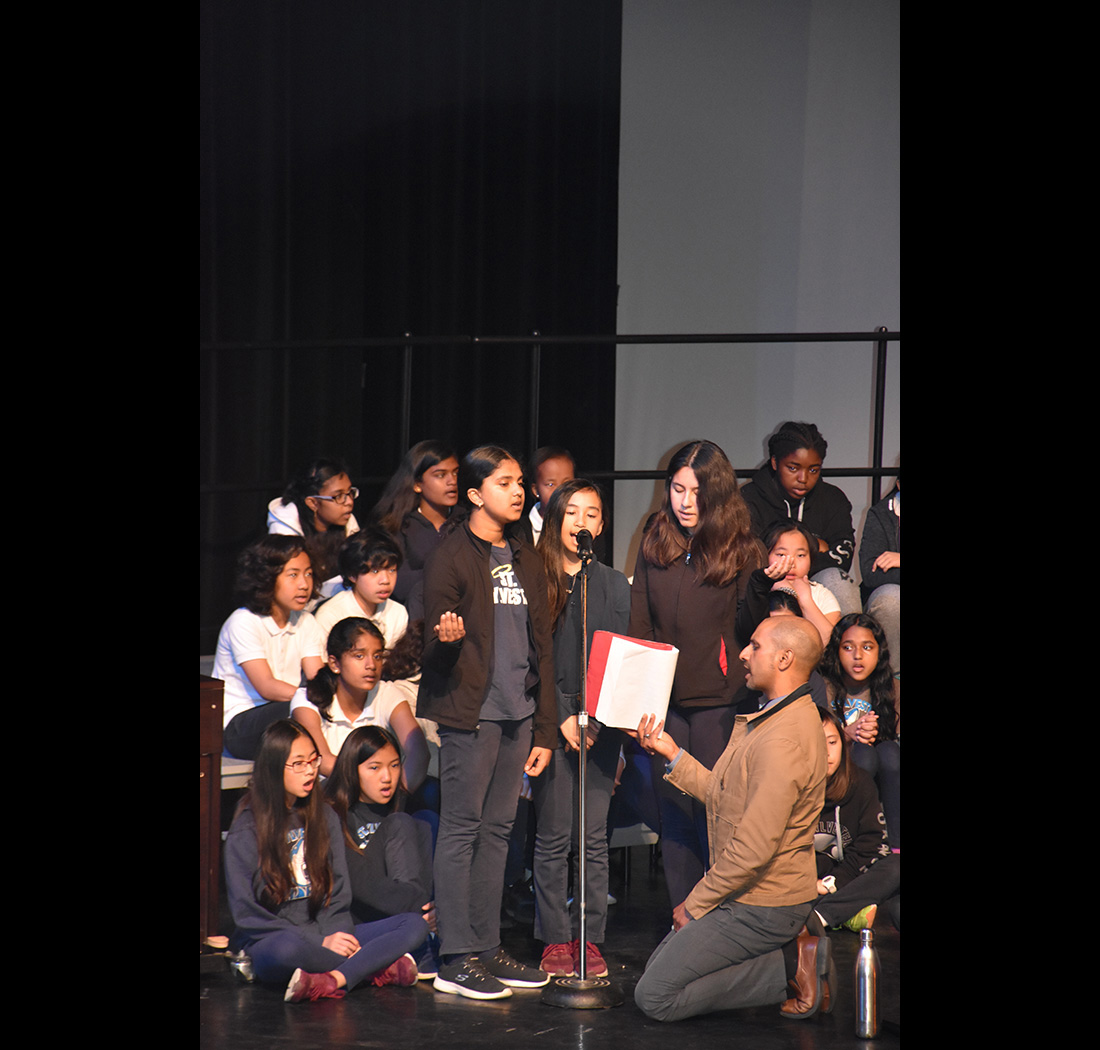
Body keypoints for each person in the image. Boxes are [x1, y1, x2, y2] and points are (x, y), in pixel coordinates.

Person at [630, 617, 831, 1023]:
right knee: (658, 974)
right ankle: (786, 958)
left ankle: (794, 966)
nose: (743, 653)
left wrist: (697, 903)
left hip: (763, 903)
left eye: (754, 646)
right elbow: (728, 799)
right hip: (747, 895)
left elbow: (754, 848)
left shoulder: (782, 739)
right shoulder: (774, 718)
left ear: (784, 658)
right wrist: (673, 753)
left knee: (655, 997)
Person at [418, 444, 557, 1000]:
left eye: (520, 481)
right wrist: (445, 643)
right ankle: (454, 955)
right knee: (461, 829)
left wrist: (545, 728)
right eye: (505, 483)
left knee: (499, 832)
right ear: (475, 493)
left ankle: (485, 945)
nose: (519, 491)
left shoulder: (525, 555)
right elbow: (433, 651)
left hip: (517, 714)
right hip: (469, 714)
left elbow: (541, 648)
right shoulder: (452, 555)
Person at [628, 439, 763, 909]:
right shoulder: (655, 535)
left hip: (720, 702)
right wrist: (639, 698)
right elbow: (640, 619)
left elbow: (750, 630)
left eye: (697, 491)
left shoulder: (742, 547)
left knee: (716, 813)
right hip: (665, 700)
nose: (685, 502)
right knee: (675, 817)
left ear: (718, 493)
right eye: (677, 488)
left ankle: (720, 921)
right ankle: (682, 921)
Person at [224, 719, 428, 1002]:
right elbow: (248, 915)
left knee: (414, 925)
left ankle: (334, 979)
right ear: (273, 766)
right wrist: (318, 941)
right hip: (279, 939)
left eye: (313, 760)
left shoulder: (325, 816)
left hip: (329, 932)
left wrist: (336, 934)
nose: (310, 771)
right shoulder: (246, 831)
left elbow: (339, 892)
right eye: (298, 763)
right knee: (285, 951)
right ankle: (372, 967)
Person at [530, 479, 630, 978]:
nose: (582, 522)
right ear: (555, 520)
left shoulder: (612, 584)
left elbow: (621, 657)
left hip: (601, 728)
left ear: (602, 524)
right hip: (552, 724)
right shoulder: (537, 577)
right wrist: (564, 713)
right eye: (572, 512)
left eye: (592, 513)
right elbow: (534, 659)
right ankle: (553, 937)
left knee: (592, 838)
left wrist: (598, 716)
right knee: (552, 836)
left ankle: (589, 936)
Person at [324, 725, 440, 975]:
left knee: (426, 820)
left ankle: (423, 934)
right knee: (401, 822)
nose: (387, 777)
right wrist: (419, 909)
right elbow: (360, 883)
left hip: (405, 911)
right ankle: (420, 936)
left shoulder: (399, 803)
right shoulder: (333, 812)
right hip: (358, 917)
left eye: (395, 765)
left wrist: (437, 906)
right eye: (374, 768)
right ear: (351, 769)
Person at [214, 536, 324, 761]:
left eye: (308, 573)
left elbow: (317, 679)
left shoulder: (306, 621)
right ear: (267, 578)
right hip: (239, 725)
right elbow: (267, 687)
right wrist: (314, 699)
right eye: (293, 575)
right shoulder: (244, 621)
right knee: (302, 711)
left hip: (288, 712)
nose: (304, 584)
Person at [290, 617, 429, 785]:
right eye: (359, 656)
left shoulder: (388, 693)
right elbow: (322, 760)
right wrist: (368, 786)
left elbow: (419, 751)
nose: (371, 665)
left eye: (377, 656)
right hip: (325, 795)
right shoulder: (306, 699)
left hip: (377, 798)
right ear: (335, 663)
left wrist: (397, 795)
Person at [740, 421, 860, 615]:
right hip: (767, 585)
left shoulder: (833, 499)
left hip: (816, 585)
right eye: (793, 468)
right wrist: (814, 546)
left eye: (813, 470)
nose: (803, 478)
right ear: (774, 462)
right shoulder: (749, 498)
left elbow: (842, 558)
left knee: (837, 580)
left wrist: (784, 554)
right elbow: (753, 558)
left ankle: (846, 644)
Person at [812, 708, 899, 932]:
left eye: (832, 742)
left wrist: (834, 884)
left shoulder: (859, 783)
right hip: (807, 884)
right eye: (817, 743)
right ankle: (847, 911)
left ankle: (822, 916)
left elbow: (872, 847)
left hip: (847, 879)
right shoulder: (789, 789)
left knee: (896, 867)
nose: (827, 753)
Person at [819, 613, 901, 849]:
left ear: (879, 652)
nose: (858, 656)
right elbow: (813, 741)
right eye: (848, 647)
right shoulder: (823, 686)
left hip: (886, 777)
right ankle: (855, 843)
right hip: (839, 774)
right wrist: (846, 733)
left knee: (887, 750)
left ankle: (896, 846)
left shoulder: (892, 689)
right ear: (836, 651)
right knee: (863, 754)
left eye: (867, 647)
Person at [370, 440, 460, 610]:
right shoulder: (396, 525)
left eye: (455, 473)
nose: (452, 481)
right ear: (417, 484)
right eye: (440, 475)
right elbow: (401, 585)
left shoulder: (468, 520)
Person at [267, 458, 361, 601]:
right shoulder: (285, 531)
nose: (349, 502)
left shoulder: (348, 521)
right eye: (339, 496)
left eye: (349, 493)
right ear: (313, 503)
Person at [312, 529, 409, 649]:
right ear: (352, 574)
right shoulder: (331, 615)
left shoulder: (397, 612)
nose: (385, 580)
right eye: (375, 571)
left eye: (391, 570)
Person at [757, 522, 842, 647]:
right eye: (781, 554)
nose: (791, 563)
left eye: (800, 555)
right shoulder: (756, 591)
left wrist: (805, 600)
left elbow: (831, 649)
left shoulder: (821, 594)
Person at [858, 476, 900, 669]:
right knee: (891, 597)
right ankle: (892, 679)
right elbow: (871, 574)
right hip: (891, 598)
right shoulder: (881, 514)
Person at [517, 446, 575, 547]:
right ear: (535, 490)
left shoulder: (582, 526)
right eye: (550, 484)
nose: (560, 490)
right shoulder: (518, 531)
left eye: (567, 483)